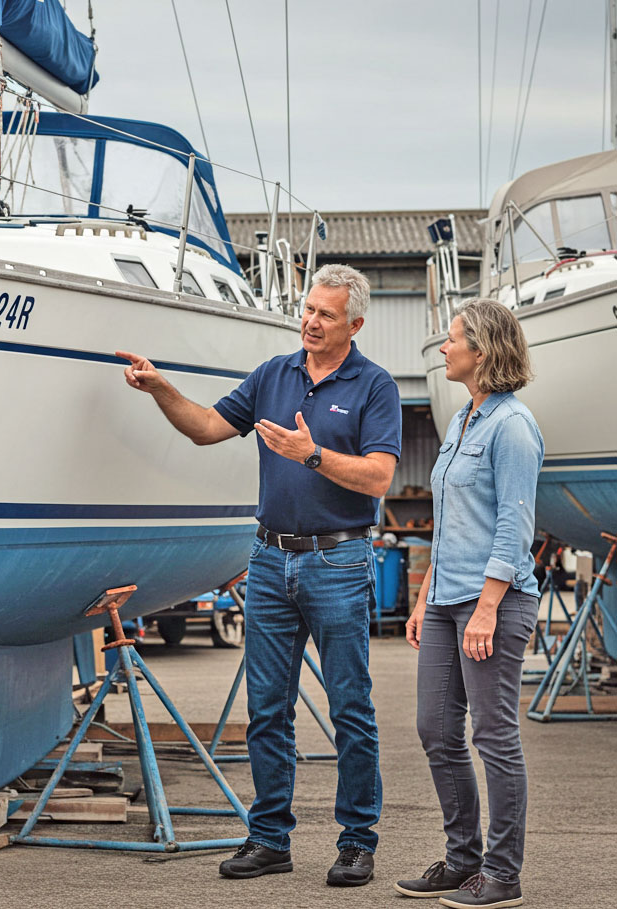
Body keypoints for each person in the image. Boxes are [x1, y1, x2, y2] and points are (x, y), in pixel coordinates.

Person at [117, 263, 400, 886]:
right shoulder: (274, 374)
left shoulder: (375, 385)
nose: (311, 322)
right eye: (308, 309)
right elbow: (206, 428)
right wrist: (161, 388)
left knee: (350, 708)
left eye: (326, 315)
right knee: (267, 709)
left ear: (354, 324)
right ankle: (270, 838)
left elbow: (379, 476)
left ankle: (357, 842)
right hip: (270, 560)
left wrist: (311, 454)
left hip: (338, 560)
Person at [396, 299, 542, 909]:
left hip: (494, 603)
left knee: (494, 735)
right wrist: (423, 596)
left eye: (451, 339)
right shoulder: (462, 420)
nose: (443, 348)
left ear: (481, 351)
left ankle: (502, 874)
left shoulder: (513, 426)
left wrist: (486, 608)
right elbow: (451, 522)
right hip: (444, 598)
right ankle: (462, 861)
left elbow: (514, 526)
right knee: (435, 729)